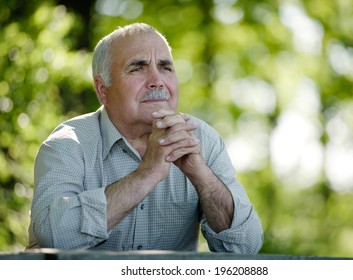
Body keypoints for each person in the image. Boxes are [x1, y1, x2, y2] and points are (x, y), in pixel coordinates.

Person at [27, 23, 264, 253]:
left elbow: (246, 246)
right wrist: (147, 174)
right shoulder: (68, 144)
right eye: (137, 68)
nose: (157, 80)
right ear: (102, 89)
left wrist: (201, 176)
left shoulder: (202, 140)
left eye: (165, 67)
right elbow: (52, 235)